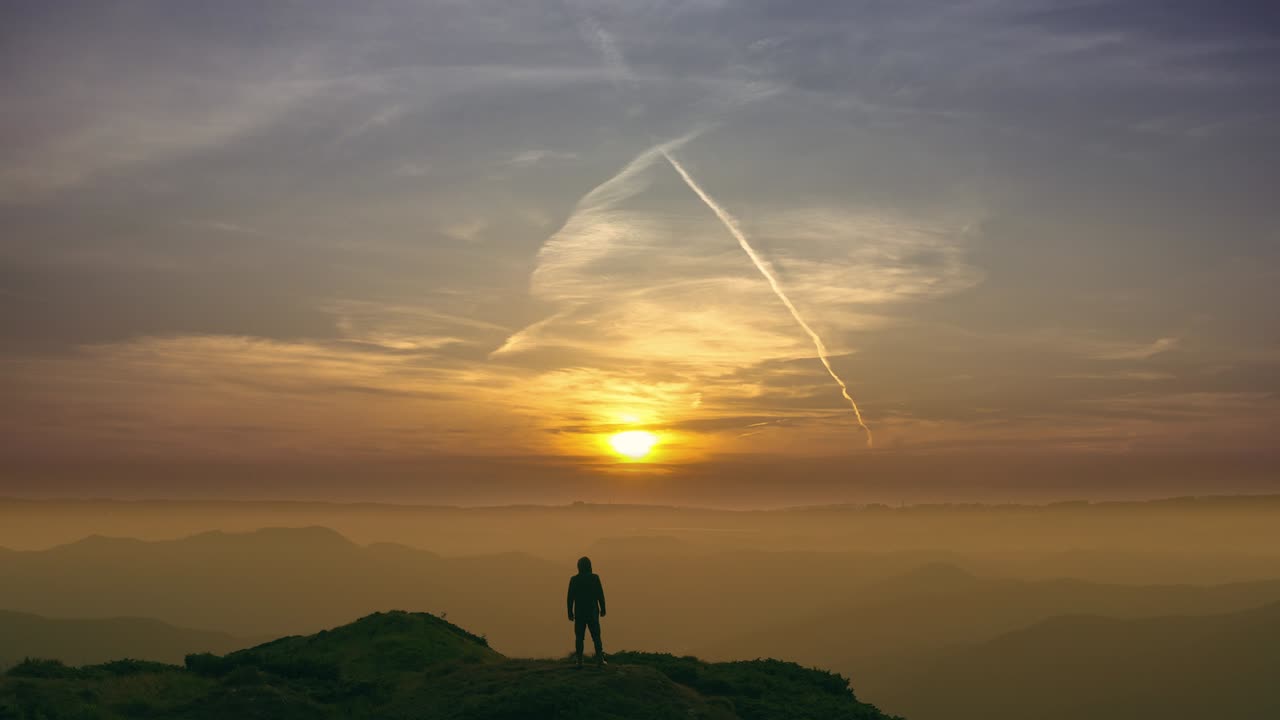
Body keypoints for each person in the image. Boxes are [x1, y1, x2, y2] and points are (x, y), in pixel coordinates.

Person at [566, 556, 606, 667]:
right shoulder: (595, 578)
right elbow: (600, 594)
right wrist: (603, 608)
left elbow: (570, 598)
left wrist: (570, 612)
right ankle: (600, 659)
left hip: (579, 612)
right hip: (592, 611)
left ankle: (579, 660)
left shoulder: (574, 580)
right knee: (596, 636)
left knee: (579, 637)